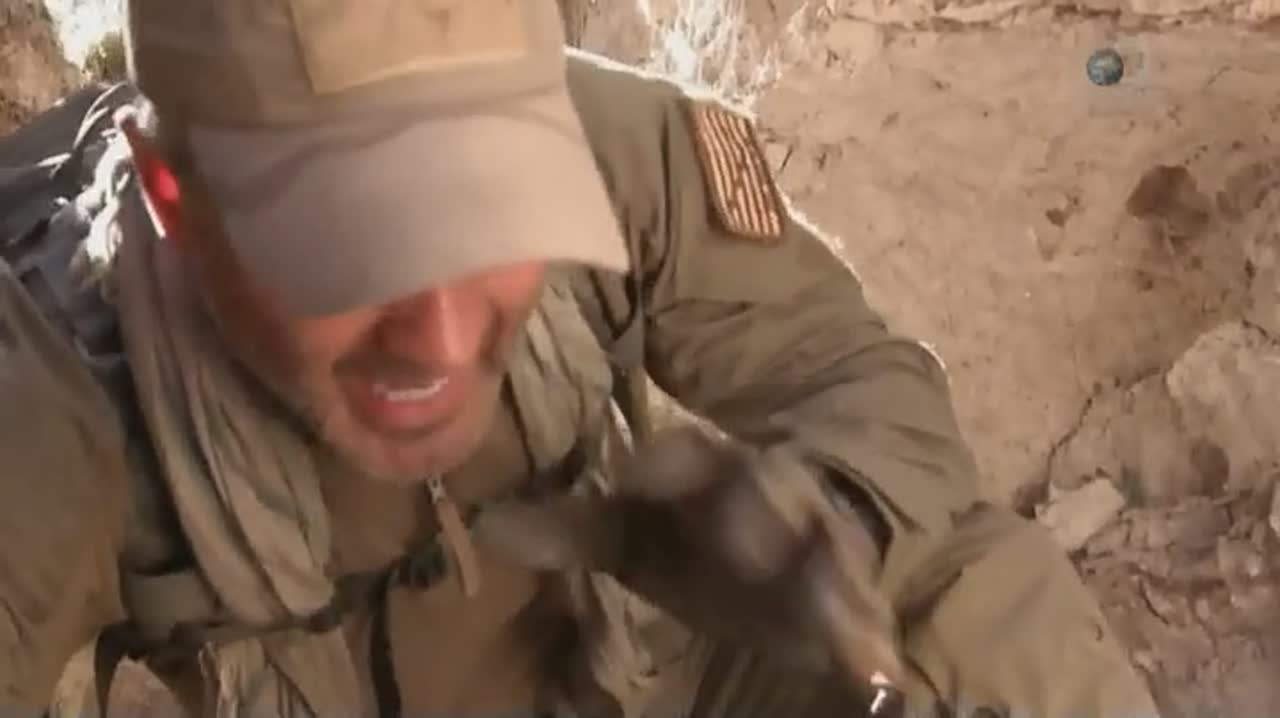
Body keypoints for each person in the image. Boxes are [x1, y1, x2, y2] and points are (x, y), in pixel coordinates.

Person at [0, 0, 1161, 716]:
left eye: (490, 212)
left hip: (623, 682)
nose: (441, 339)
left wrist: (824, 531)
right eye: (344, 248)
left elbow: (856, 375)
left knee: (971, 603)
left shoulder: (607, 141)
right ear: (173, 196)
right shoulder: (50, 402)